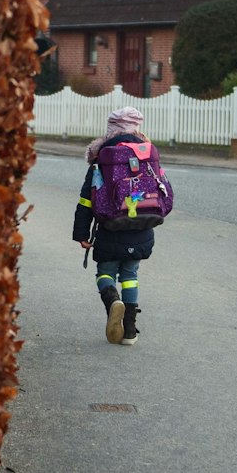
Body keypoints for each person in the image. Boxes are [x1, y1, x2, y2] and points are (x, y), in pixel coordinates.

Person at [73, 106, 158, 346]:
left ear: (110, 130)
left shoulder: (102, 160)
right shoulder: (147, 155)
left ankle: (113, 302)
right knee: (130, 275)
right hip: (142, 228)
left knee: (105, 273)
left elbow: (86, 201)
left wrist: (81, 233)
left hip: (110, 229)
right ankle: (130, 330)